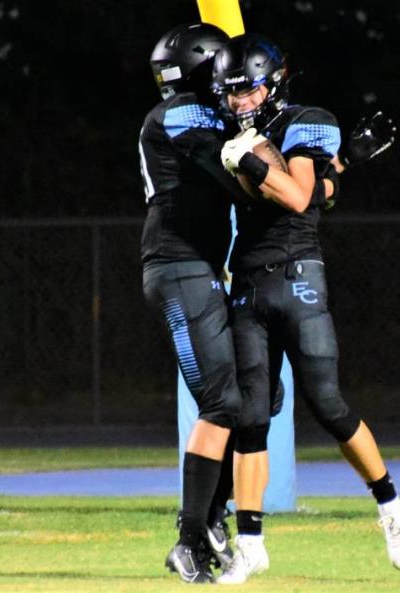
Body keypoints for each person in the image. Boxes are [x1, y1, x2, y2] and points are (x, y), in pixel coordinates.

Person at [209, 34, 400, 585]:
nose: (239, 103)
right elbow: (322, 187)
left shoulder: (307, 119)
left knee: (327, 404)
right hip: (249, 279)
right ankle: (250, 543)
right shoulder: (229, 134)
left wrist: (255, 164)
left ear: (274, 82)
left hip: (299, 275)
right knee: (250, 416)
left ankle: (390, 505)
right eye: (231, 95)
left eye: (247, 90)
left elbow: (302, 196)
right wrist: (343, 164)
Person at [139, 23, 254, 584]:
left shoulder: (192, 109)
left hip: (201, 268)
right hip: (178, 265)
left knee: (259, 396)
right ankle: (193, 536)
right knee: (221, 402)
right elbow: (230, 172)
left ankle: (209, 518)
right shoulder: (181, 113)